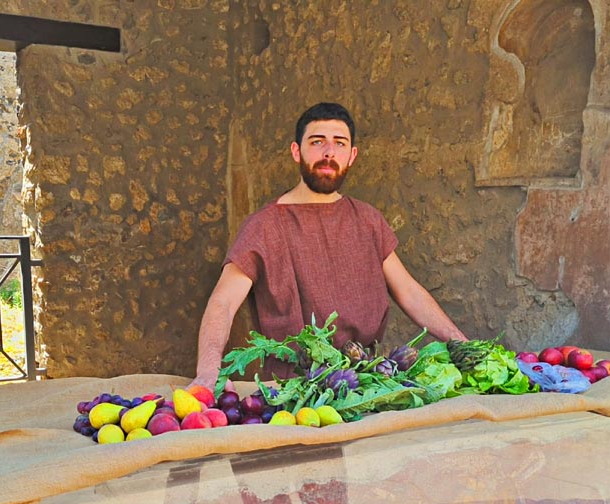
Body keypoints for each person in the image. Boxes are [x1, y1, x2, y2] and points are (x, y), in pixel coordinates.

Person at [192, 102, 467, 388]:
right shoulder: (264, 226)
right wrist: (208, 372)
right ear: (296, 151)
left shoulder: (368, 219)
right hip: (295, 391)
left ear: (352, 155)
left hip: (366, 381)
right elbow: (223, 302)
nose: (328, 153)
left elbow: (409, 291)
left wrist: (464, 345)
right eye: (317, 142)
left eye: (339, 143)